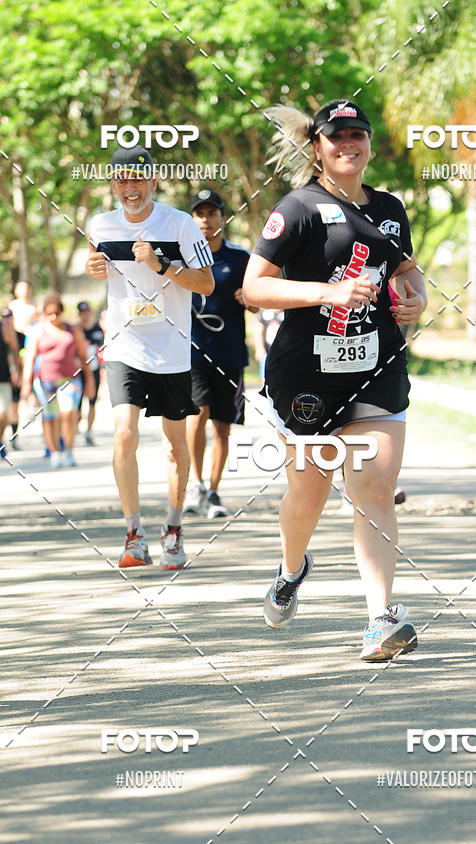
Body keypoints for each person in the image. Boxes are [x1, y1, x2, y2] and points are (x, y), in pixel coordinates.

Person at [243, 99, 427, 662]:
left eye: (358, 134)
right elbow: (253, 289)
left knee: (372, 489)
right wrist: (327, 292)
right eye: (336, 135)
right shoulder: (297, 209)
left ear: (369, 143)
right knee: (309, 492)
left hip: (376, 367)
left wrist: (417, 296)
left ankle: (380, 619)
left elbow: (404, 269)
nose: (349, 143)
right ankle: (292, 567)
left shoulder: (391, 209)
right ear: (316, 145)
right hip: (307, 376)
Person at [85, 146, 214, 570]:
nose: (130, 188)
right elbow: (97, 264)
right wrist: (93, 268)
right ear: (112, 185)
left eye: (137, 179)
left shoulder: (179, 224)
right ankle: (133, 533)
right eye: (121, 180)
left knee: (176, 448)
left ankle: (173, 530)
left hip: (172, 349)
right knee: (124, 434)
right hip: (124, 345)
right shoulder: (99, 224)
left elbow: (207, 285)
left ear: (153, 181)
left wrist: (161, 266)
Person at [182, 189, 250, 519]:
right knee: (197, 415)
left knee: (222, 426)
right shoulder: (182, 257)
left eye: (212, 213)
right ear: (192, 219)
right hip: (192, 353)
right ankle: (194, 484)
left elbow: (258, 299)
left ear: (223, 218)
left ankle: (214, 491)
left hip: (230, 355)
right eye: (200, 213)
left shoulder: (240, 259)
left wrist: (251, 299)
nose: (206, 219)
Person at [22, 294, 94, 468]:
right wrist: (26, 383)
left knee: (69, 414)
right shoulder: (38, 330)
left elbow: (83, 356)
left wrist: (90, 379)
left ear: (62, 312)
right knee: (50, 416)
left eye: (56, 313)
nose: (53, 317)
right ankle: (54, 451)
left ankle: (68, 449)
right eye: (49, 314)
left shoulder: (72, 330)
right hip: (45, 380)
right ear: (44, 314)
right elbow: (30, 358)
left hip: (70, 379)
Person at [8, 281, 37, 449]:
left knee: (32, 375)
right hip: (17, 346)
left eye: (27, 288)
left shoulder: (35, 307)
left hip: (31, 344)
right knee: (16, 384)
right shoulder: (12, 306)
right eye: (21, 288)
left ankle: (30, 404)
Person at [76, 301, 105, 445]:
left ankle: (88, 431)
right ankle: (74, 429)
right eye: (83, 312)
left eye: (87, 311)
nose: (85, 314)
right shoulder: (76, 330)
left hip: (94, 370)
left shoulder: (97, 329)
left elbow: (103, 349)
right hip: (78, 371)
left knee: (92, 402)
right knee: (77, 403)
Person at [0, 308, 22, 458]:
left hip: (2, 376)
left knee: (3, 413)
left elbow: (15, 350)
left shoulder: (5, 328)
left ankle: (0, 440)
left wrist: (17, 371)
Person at [253, 307, 284, 380]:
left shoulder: (286, 313)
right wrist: (259, 348)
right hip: (268, 350)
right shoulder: (264, 313)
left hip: (282, 350)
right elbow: (259, 331)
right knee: (265, 375)